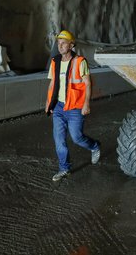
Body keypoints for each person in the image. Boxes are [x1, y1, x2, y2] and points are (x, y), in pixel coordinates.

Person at [45, 30, 100, 182]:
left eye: (63, 43)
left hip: (75, 107)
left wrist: (86, 104)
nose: (60, 46)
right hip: (58, 107)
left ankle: (94, 146)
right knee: (59, 140)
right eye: (58, 43)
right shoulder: (55, 62)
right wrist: (48, 103)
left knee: (76, 137)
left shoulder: (80, 62)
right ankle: (64, 169)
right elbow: (52, 84)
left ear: (71, 45)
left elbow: (87, 83)